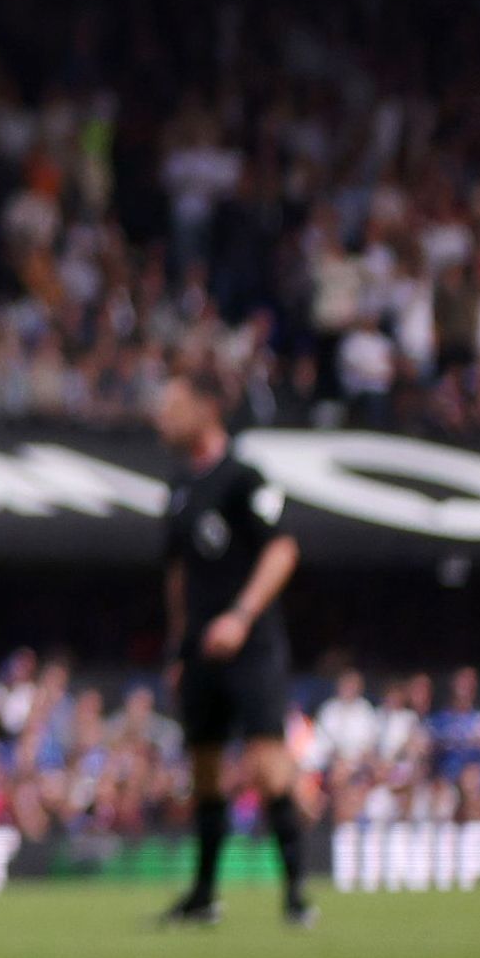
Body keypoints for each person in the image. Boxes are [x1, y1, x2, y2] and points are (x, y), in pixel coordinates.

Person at [152, 368, 312, 929]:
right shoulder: (179, 488)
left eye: (172, 406)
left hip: (252, 646)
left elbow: (282, 550)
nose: (162, 418)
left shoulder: (244, 478)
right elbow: (177, 575)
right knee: (204, 768)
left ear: (206, 408)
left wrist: (241, 617)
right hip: (199, 649)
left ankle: (296, 896)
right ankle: (204, 896)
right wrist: (178, 648)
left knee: (267, 762)